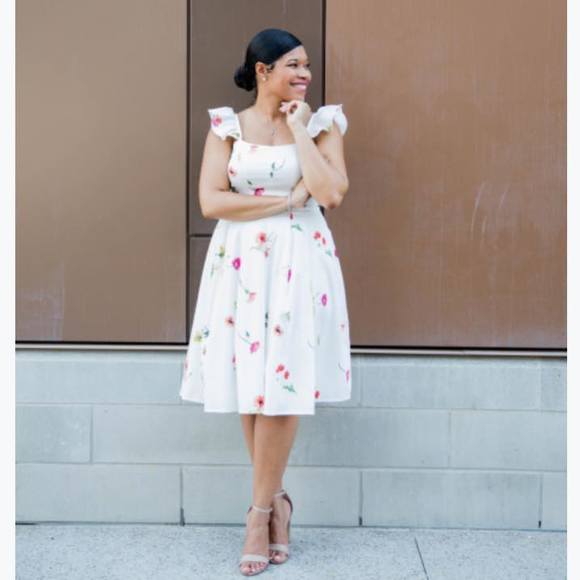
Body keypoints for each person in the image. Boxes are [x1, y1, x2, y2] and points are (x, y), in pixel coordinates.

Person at [179, 28, 352, 576]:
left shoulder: (322, 124)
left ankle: (258, 516)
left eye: (306, 65)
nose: (304, 74)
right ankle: (278, 504)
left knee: (284, 383)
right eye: (293, 65)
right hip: (240, 264)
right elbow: (211, 201)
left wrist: (300, 131)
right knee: (253, 386)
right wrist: (285, 202)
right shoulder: (226, 127)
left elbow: (330, 194)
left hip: (301, 261)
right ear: (262, 70)